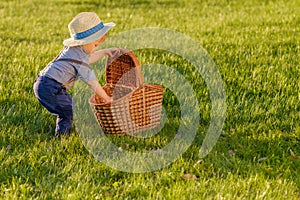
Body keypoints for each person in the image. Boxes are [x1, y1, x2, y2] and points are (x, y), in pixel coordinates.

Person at [33, 12, 115, 137]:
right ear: (84, 42)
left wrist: (104, 52)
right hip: (50, 87)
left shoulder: (75, 51)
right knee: (69, 110)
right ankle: (62, 136)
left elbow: (88, 58)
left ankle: (64, 129)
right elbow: (92, 83)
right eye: (96, 45)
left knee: (68, 107)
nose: (95, 48)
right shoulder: (79, 59)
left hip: (44, 83)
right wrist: (106, 98)